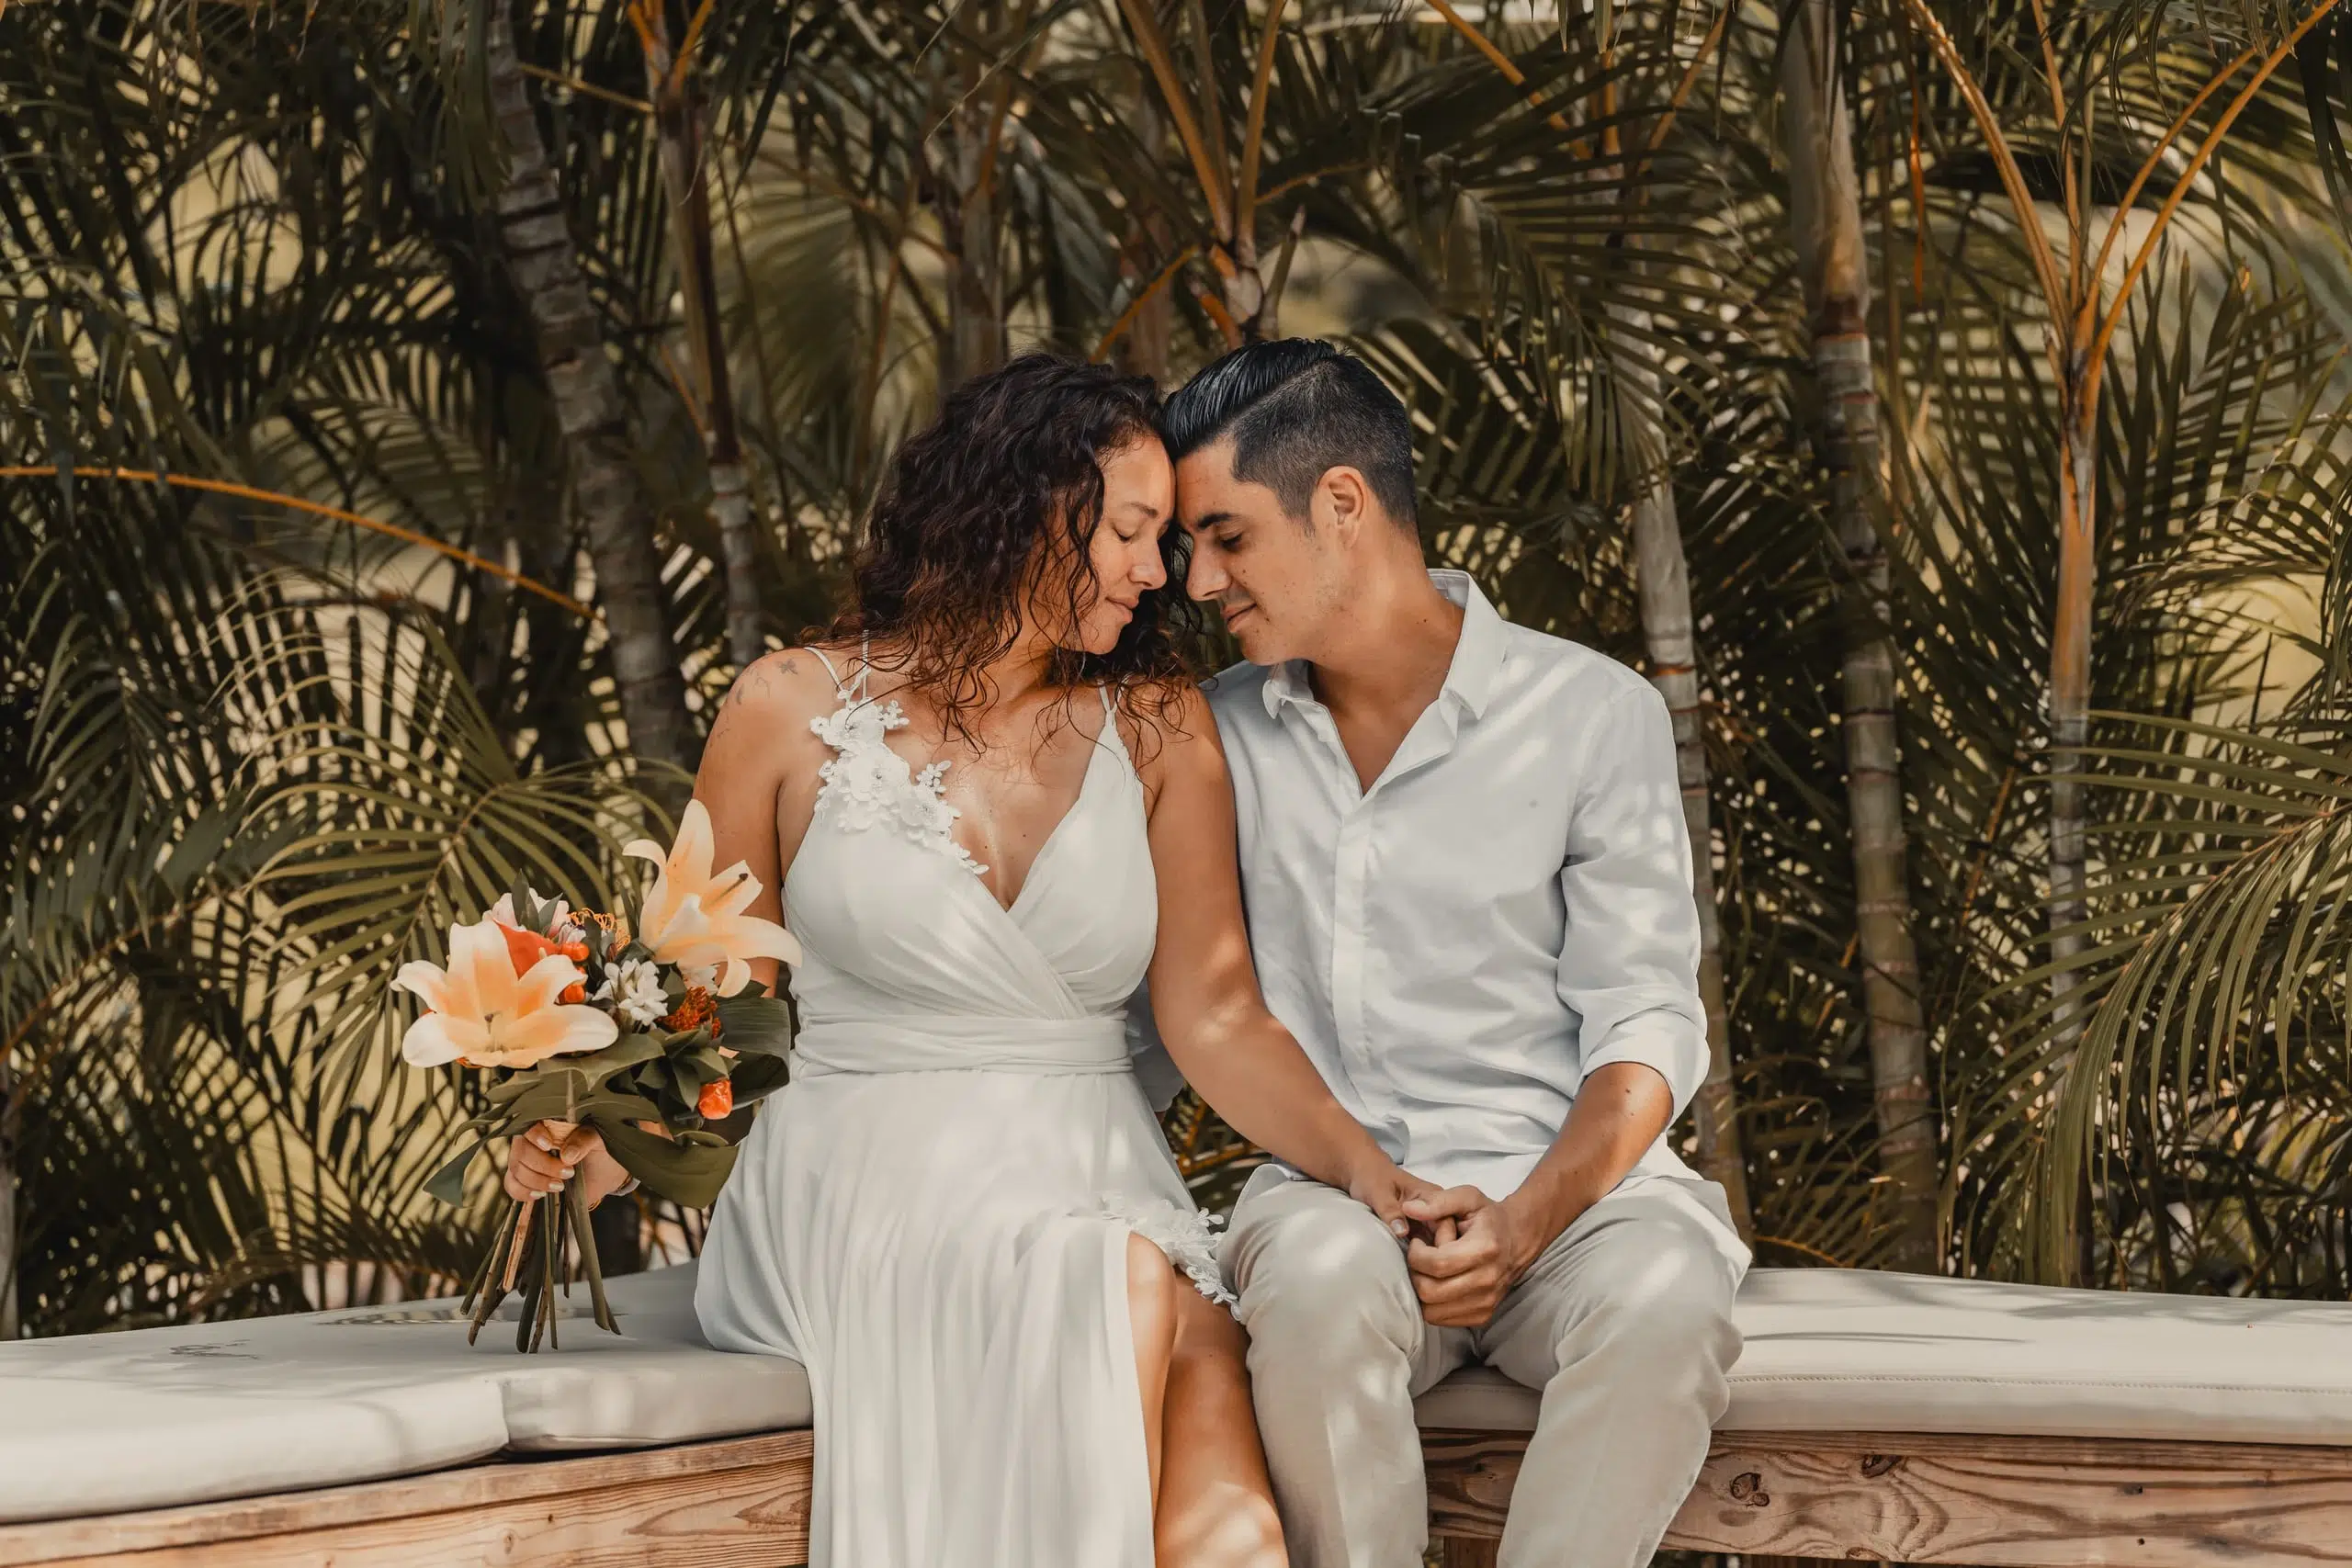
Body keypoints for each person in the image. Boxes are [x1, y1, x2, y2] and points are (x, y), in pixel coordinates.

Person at [502, 353, 1430, 1568]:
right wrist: (596, 1141)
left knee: (1181, 1330)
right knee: (1129, 1291)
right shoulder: (783, 707)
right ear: (1028, 506)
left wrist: (1370, 1173)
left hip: (1094, 1170)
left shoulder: (1160, 725)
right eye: (1131, 532)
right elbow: (713, 1011)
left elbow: (1215, 1016)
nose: (1160, 573)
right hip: (858, 1179)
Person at [1157, 339, 1752, 1568]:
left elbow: (1648, 1023)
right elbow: (1182, 1007)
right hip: (1334, 1198)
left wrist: (1525, 1224)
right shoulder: (1213, 737)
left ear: (1341, 503)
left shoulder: (1593, 715)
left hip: (1578, 1209)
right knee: (1316, 1283)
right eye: (1187, 547)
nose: (1199, 580)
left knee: (1668, 1303)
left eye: (1225, 536)